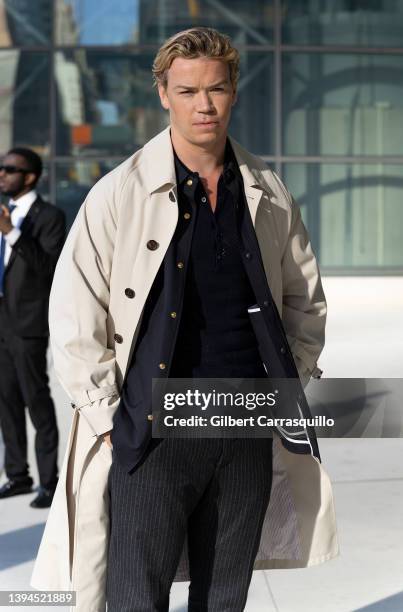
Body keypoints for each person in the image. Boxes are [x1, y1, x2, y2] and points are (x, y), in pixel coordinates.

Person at [31, 27, 338, 611]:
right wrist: (107, 419)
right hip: (153, 430)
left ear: (234, 92)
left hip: (243, 422)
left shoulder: (268, 191)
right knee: (134, 597)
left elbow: (305, 299)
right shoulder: (118, 192)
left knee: (224, 596)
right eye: (188, 90)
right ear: (164, 94)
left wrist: (284, 387)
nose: (204, 104)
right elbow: (74, 316)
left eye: (216, 89)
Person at [0, 148, 66, 508]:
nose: (2, 174)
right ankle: (18, 475)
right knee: (6, 403)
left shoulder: (49, 217)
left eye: (10, 169)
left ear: (30, 177)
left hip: (28, 326)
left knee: (36, 402)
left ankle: (49, 481)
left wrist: (11, 233)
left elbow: (48, 269)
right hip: (2, 325)